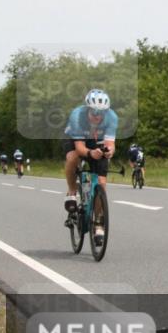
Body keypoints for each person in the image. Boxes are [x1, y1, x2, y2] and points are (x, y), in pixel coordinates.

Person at [62, 89, 119, 244]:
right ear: (87, 109)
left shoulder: (112, 118)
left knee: (101, 183)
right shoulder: (77, 116)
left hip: (96, 141)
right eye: (94, 112)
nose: (97, 116)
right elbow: (80, 148)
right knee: (73, 157)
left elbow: (110, 144)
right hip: (76, 140)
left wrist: (109, 152)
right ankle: (72, 191)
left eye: (101, 113)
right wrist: (90, 153)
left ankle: (99, 224)